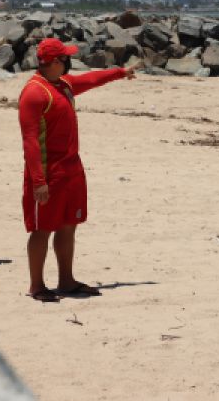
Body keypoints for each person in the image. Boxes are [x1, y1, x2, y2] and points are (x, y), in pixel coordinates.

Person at [18, 38, 139, 302]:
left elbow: (91, 79)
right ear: (54, 61)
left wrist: (120, 73)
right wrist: (38, 181)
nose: (69, 62)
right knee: (42, 229)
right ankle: (37, 286)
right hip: (48, 173)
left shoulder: (63, 84)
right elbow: (30, 142)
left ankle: (66, 280)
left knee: (68, 225)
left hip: (71, 169)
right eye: (65, 58)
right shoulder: (34, 93)